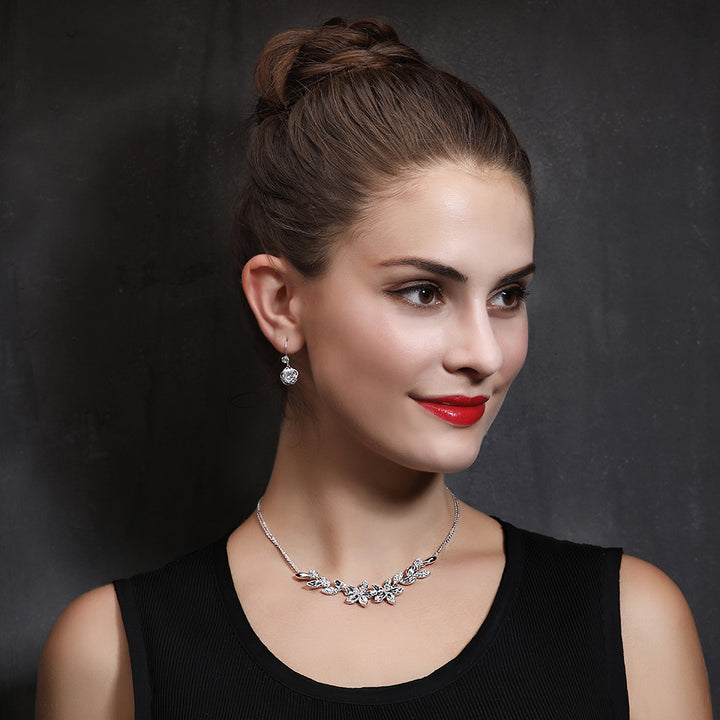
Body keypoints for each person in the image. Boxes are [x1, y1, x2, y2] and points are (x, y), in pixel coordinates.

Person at [36, 17, 712, 720]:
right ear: (281, 303)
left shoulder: (631, 626)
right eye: (423, 292)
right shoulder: (109, 656)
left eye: (508, 296)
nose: (484, 354)